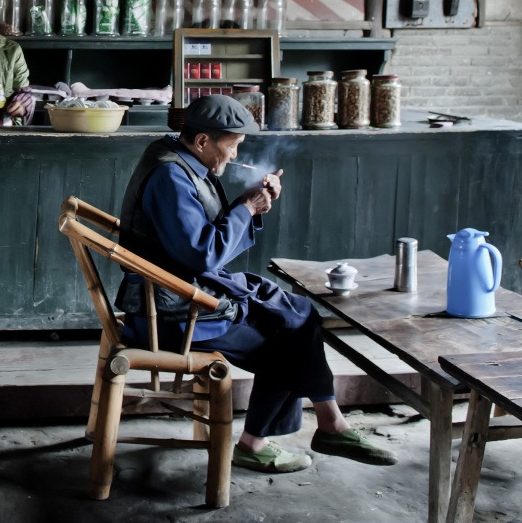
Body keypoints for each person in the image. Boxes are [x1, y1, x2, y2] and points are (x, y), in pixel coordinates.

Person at [115, 95, 397, 473]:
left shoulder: (178, 157)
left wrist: (250, 204)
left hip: (184, 288)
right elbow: (202, 253)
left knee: (299, 310)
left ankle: (330, 423)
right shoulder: (170, 176)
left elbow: (201, 239)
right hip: (171, 310)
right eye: (231, 146)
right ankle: (262, 441)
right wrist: (246, 209)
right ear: (202, 141)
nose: (233, 156)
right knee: (286, 342)